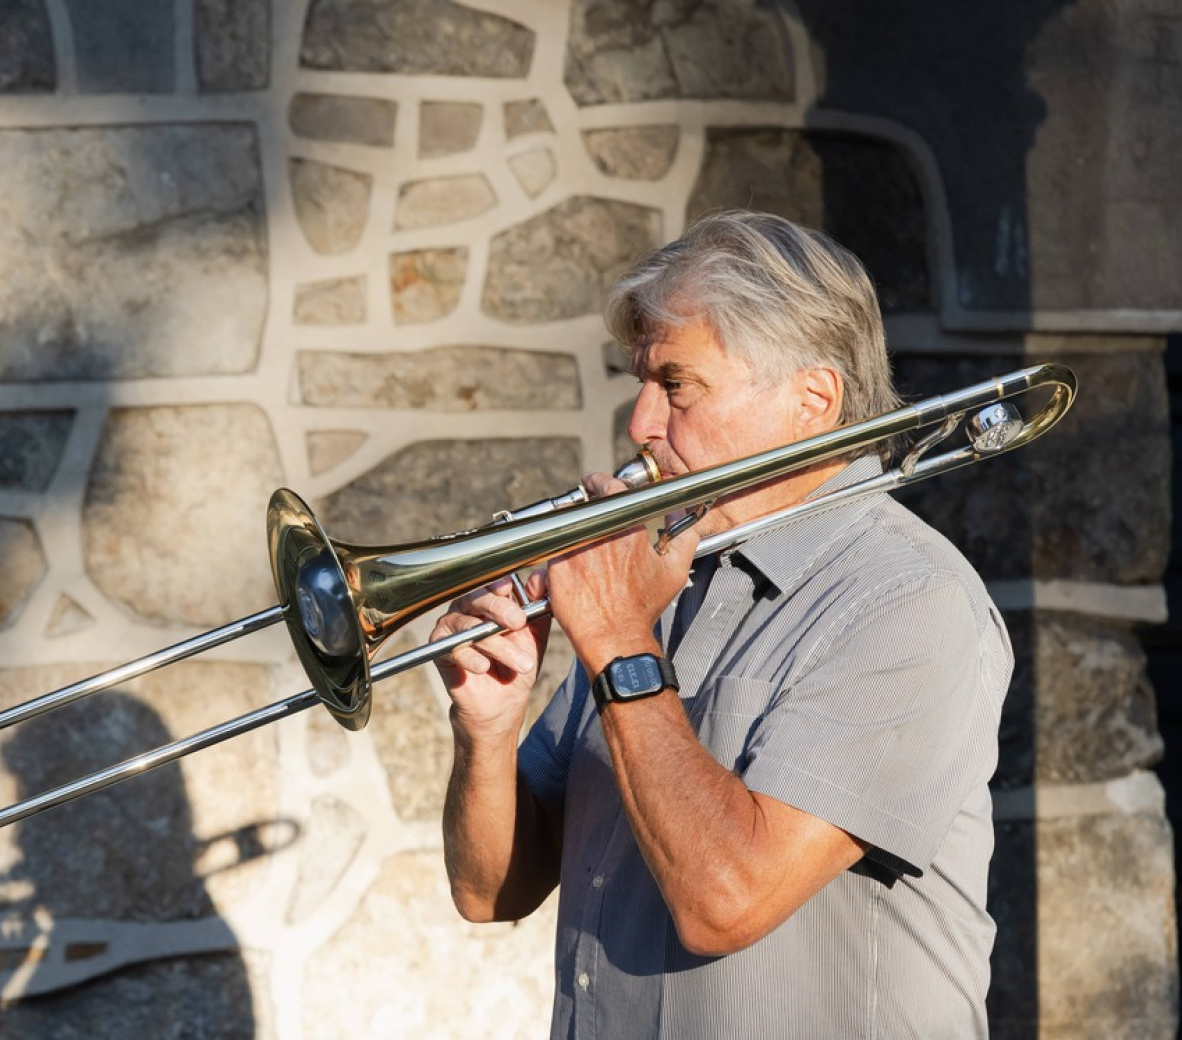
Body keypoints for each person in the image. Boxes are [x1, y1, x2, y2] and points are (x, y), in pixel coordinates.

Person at [432, 210, 1011, 1039]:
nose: (641, 424)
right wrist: (486, 729)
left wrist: (619, 643)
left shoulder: (908, 600)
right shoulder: (662, 578)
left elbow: (726, 901)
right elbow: (491, 893)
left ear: (813, 398)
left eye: (677, 385)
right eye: (641, 384)